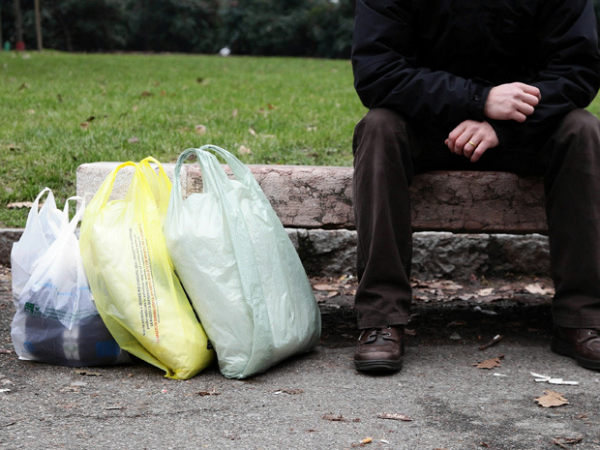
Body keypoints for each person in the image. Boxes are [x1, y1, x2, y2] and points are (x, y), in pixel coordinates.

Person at [351, 0, 600, 373]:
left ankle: (581, 316)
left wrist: (504, 127)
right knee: (378, 128)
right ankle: (380, 319)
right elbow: (377, 72)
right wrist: (478, 100)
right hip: (427, 125)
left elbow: (577, 69)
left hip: (526, 127)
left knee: (583, 129)